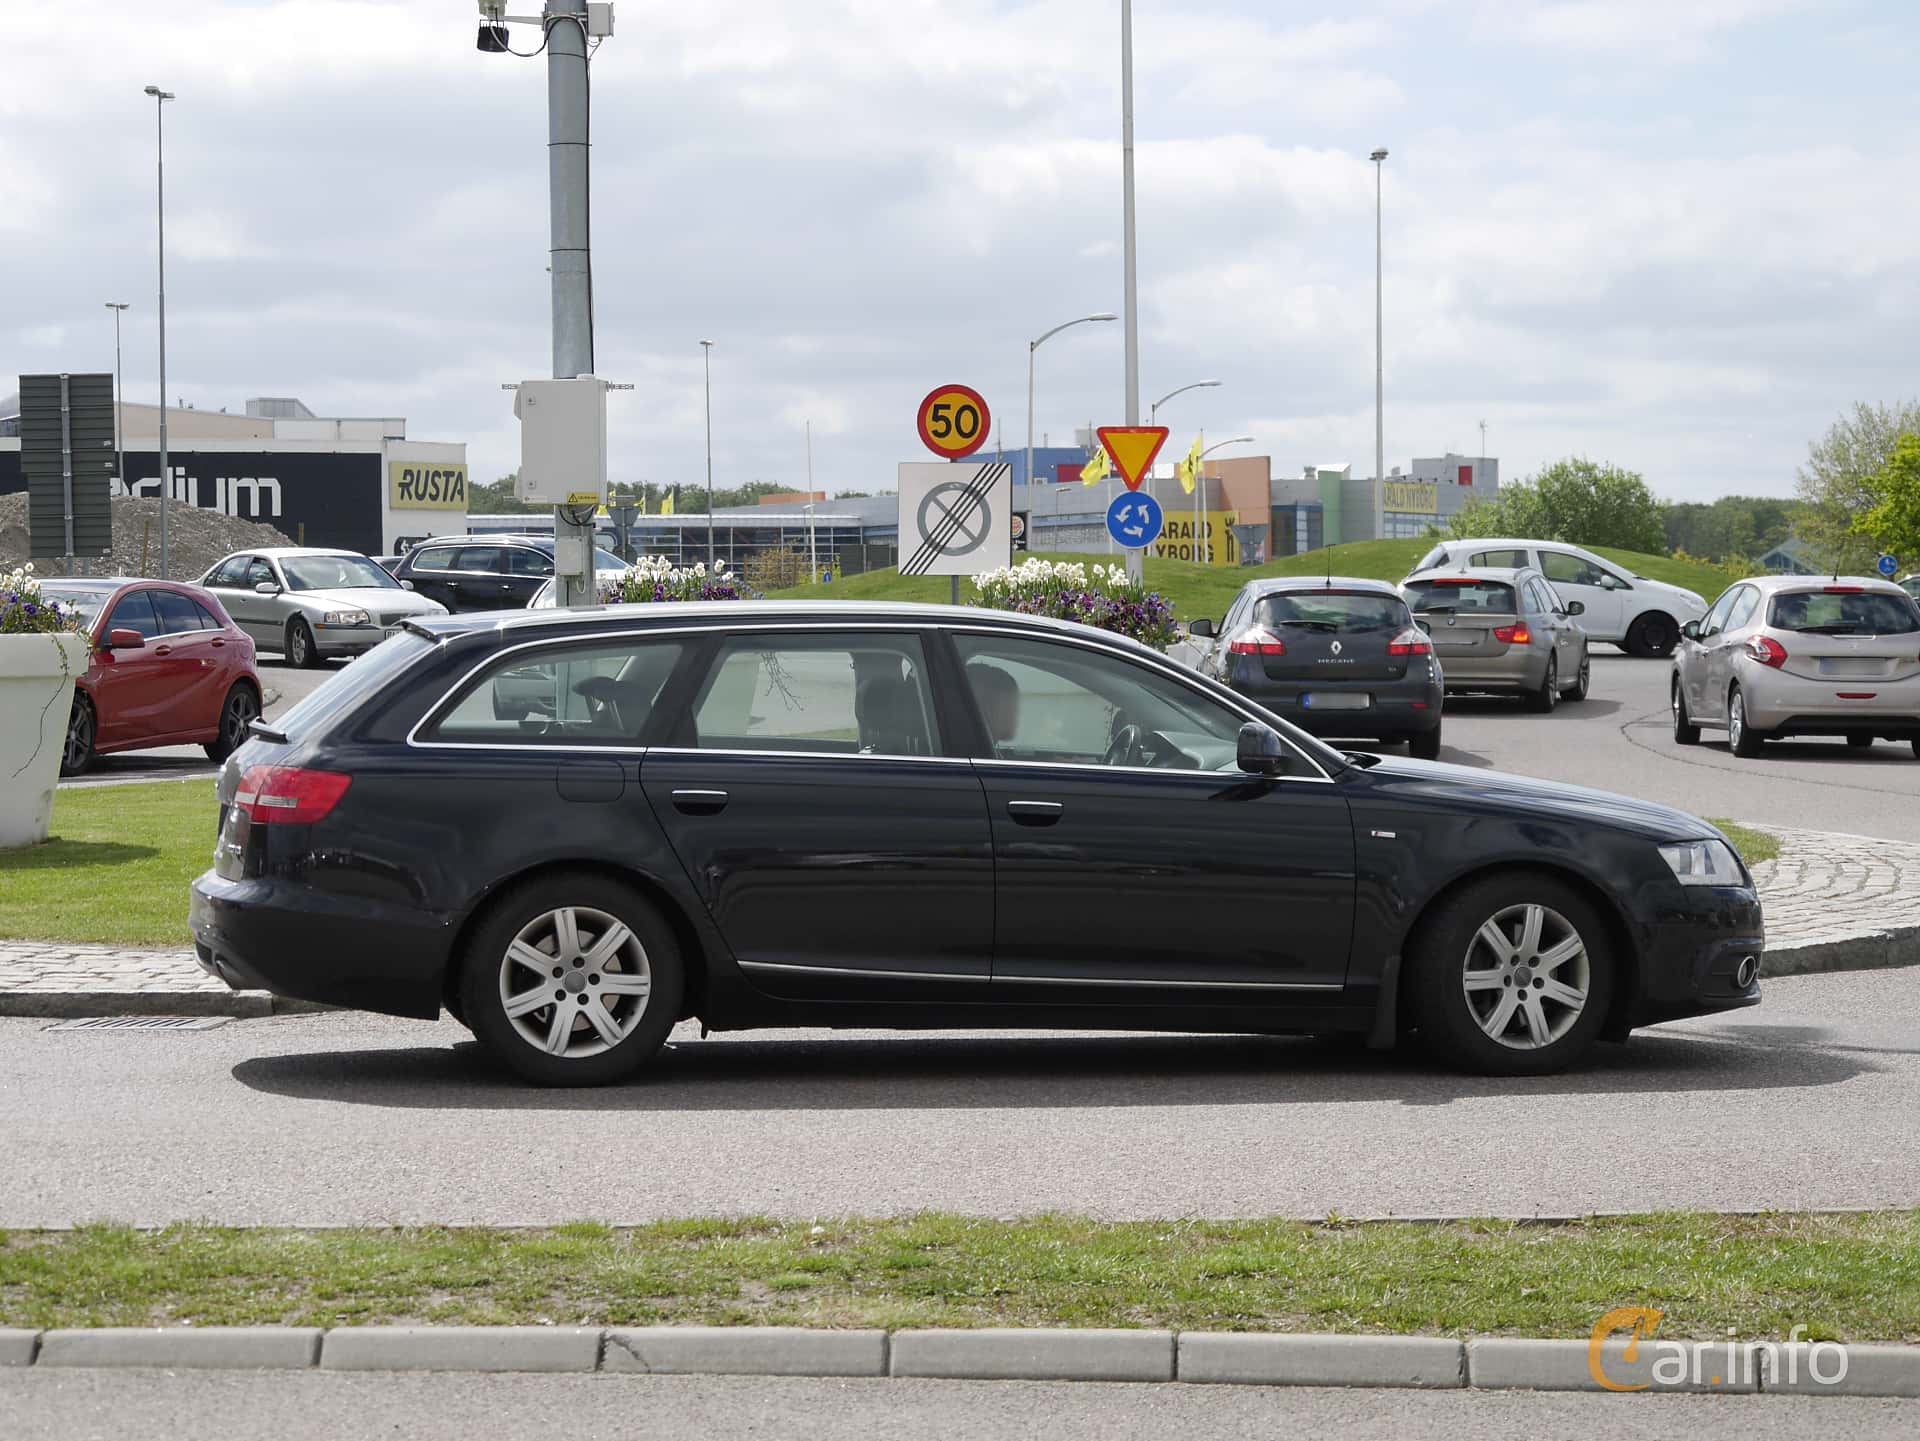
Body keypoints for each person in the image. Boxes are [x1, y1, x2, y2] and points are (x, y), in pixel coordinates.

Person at [966, 662, 1020, 750]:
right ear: (988, 709)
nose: (1017, 714)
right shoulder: (976, 755)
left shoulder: (985, 750)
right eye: (1011, 707)